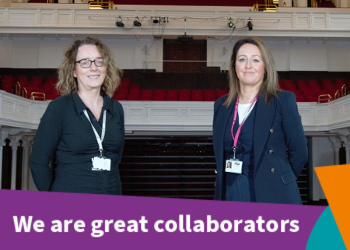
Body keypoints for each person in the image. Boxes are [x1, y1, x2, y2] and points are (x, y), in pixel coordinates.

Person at [213, 37, 308, 204]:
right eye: (242, 59)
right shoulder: (221, 105)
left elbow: (300, 152)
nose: (248, 65)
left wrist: (281, 180)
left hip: (272, 194)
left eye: (255, 60)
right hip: (231, 192)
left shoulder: (283, 101)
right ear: (234, 66)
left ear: (265, 67)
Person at [30, 37, 125, 195]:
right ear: (73, 70)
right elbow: (38, 162)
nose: (93, 68)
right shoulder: (59, 108)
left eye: (99, 61)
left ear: (106, 67)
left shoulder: (116, 108)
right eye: (85, 62)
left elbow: (117, 158)